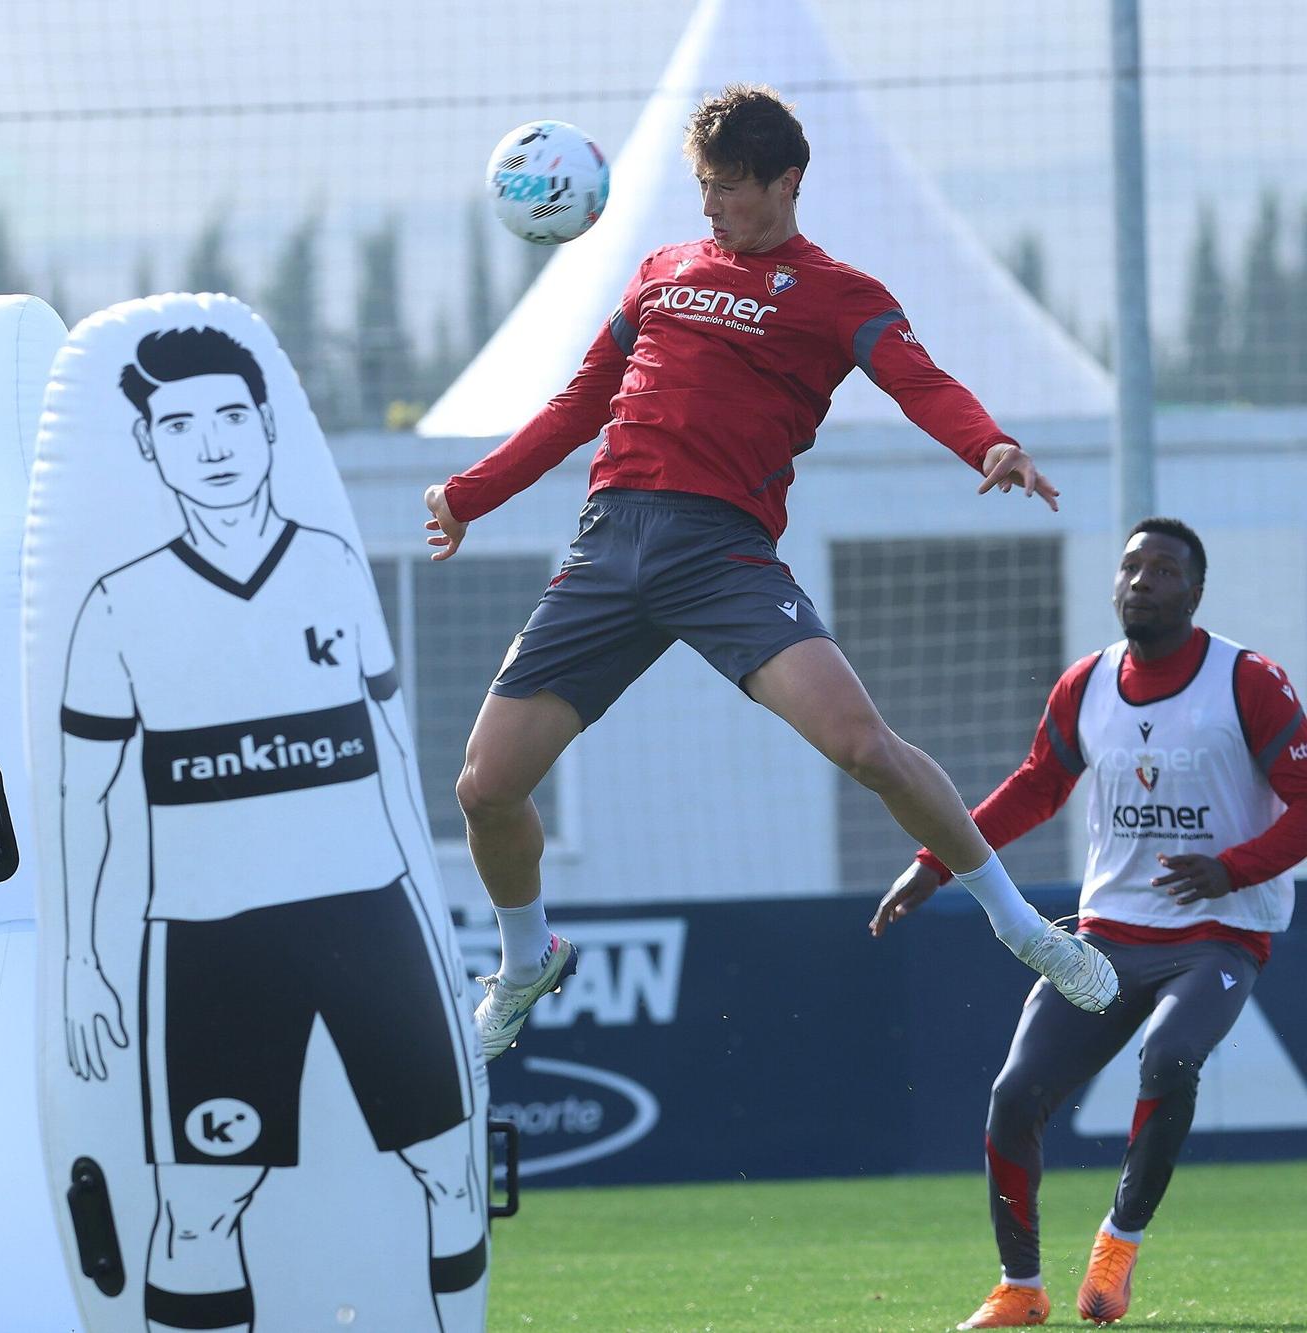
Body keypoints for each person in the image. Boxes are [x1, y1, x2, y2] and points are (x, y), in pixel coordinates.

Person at [422, 83, 1119, 1062]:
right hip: (609, 545)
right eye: (701, 187)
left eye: (727, 189)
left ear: (785, 182)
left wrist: (986, 444)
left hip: (722, 557)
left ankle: (1020, 925)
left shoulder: (839, 295)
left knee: (865, 747)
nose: (709, 207)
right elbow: (579, 402)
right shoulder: (660, 273)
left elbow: (916, 380)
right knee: (483, 788)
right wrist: (470, 492)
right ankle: (524, 956)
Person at [59, 325, 487, 1332]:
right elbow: (86, 798)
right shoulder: (116, 606)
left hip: (366, 920)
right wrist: (82, 957)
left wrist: (434, 912)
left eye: (226, 418)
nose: (208, 444)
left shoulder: (332, 564)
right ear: (147, 447)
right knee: (200, 1207)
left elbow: (386, 750)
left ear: (263, 428)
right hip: (213, 945)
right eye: (177, 424)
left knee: (448, 1170)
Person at [871, 518, 1305, 1330]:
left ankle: (1119, 1242)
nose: (1143, 579)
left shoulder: (1248, 680)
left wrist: (1233, 866)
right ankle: (1021, 1288)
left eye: (1164, 569)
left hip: (1218, 930)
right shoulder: (1086, 684)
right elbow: (1036, 787)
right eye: (1132, 565)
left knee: (1170, 1055)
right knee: (1013, 1095)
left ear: (1195, 591)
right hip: (1107, 936)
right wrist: (934, 863)